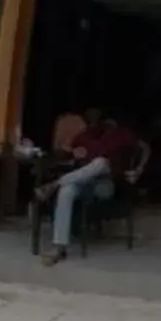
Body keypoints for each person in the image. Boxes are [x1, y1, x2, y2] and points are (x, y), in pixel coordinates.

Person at [38, 109, 139, 263]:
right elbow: (71, 150)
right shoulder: (87, 136)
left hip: (105, 185)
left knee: (101, 162)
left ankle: (54, 184)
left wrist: (139, 169)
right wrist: (74, 151)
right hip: (84, 181)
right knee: (67, 191)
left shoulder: (123, 136)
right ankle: (59, 247)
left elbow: (140, 149)